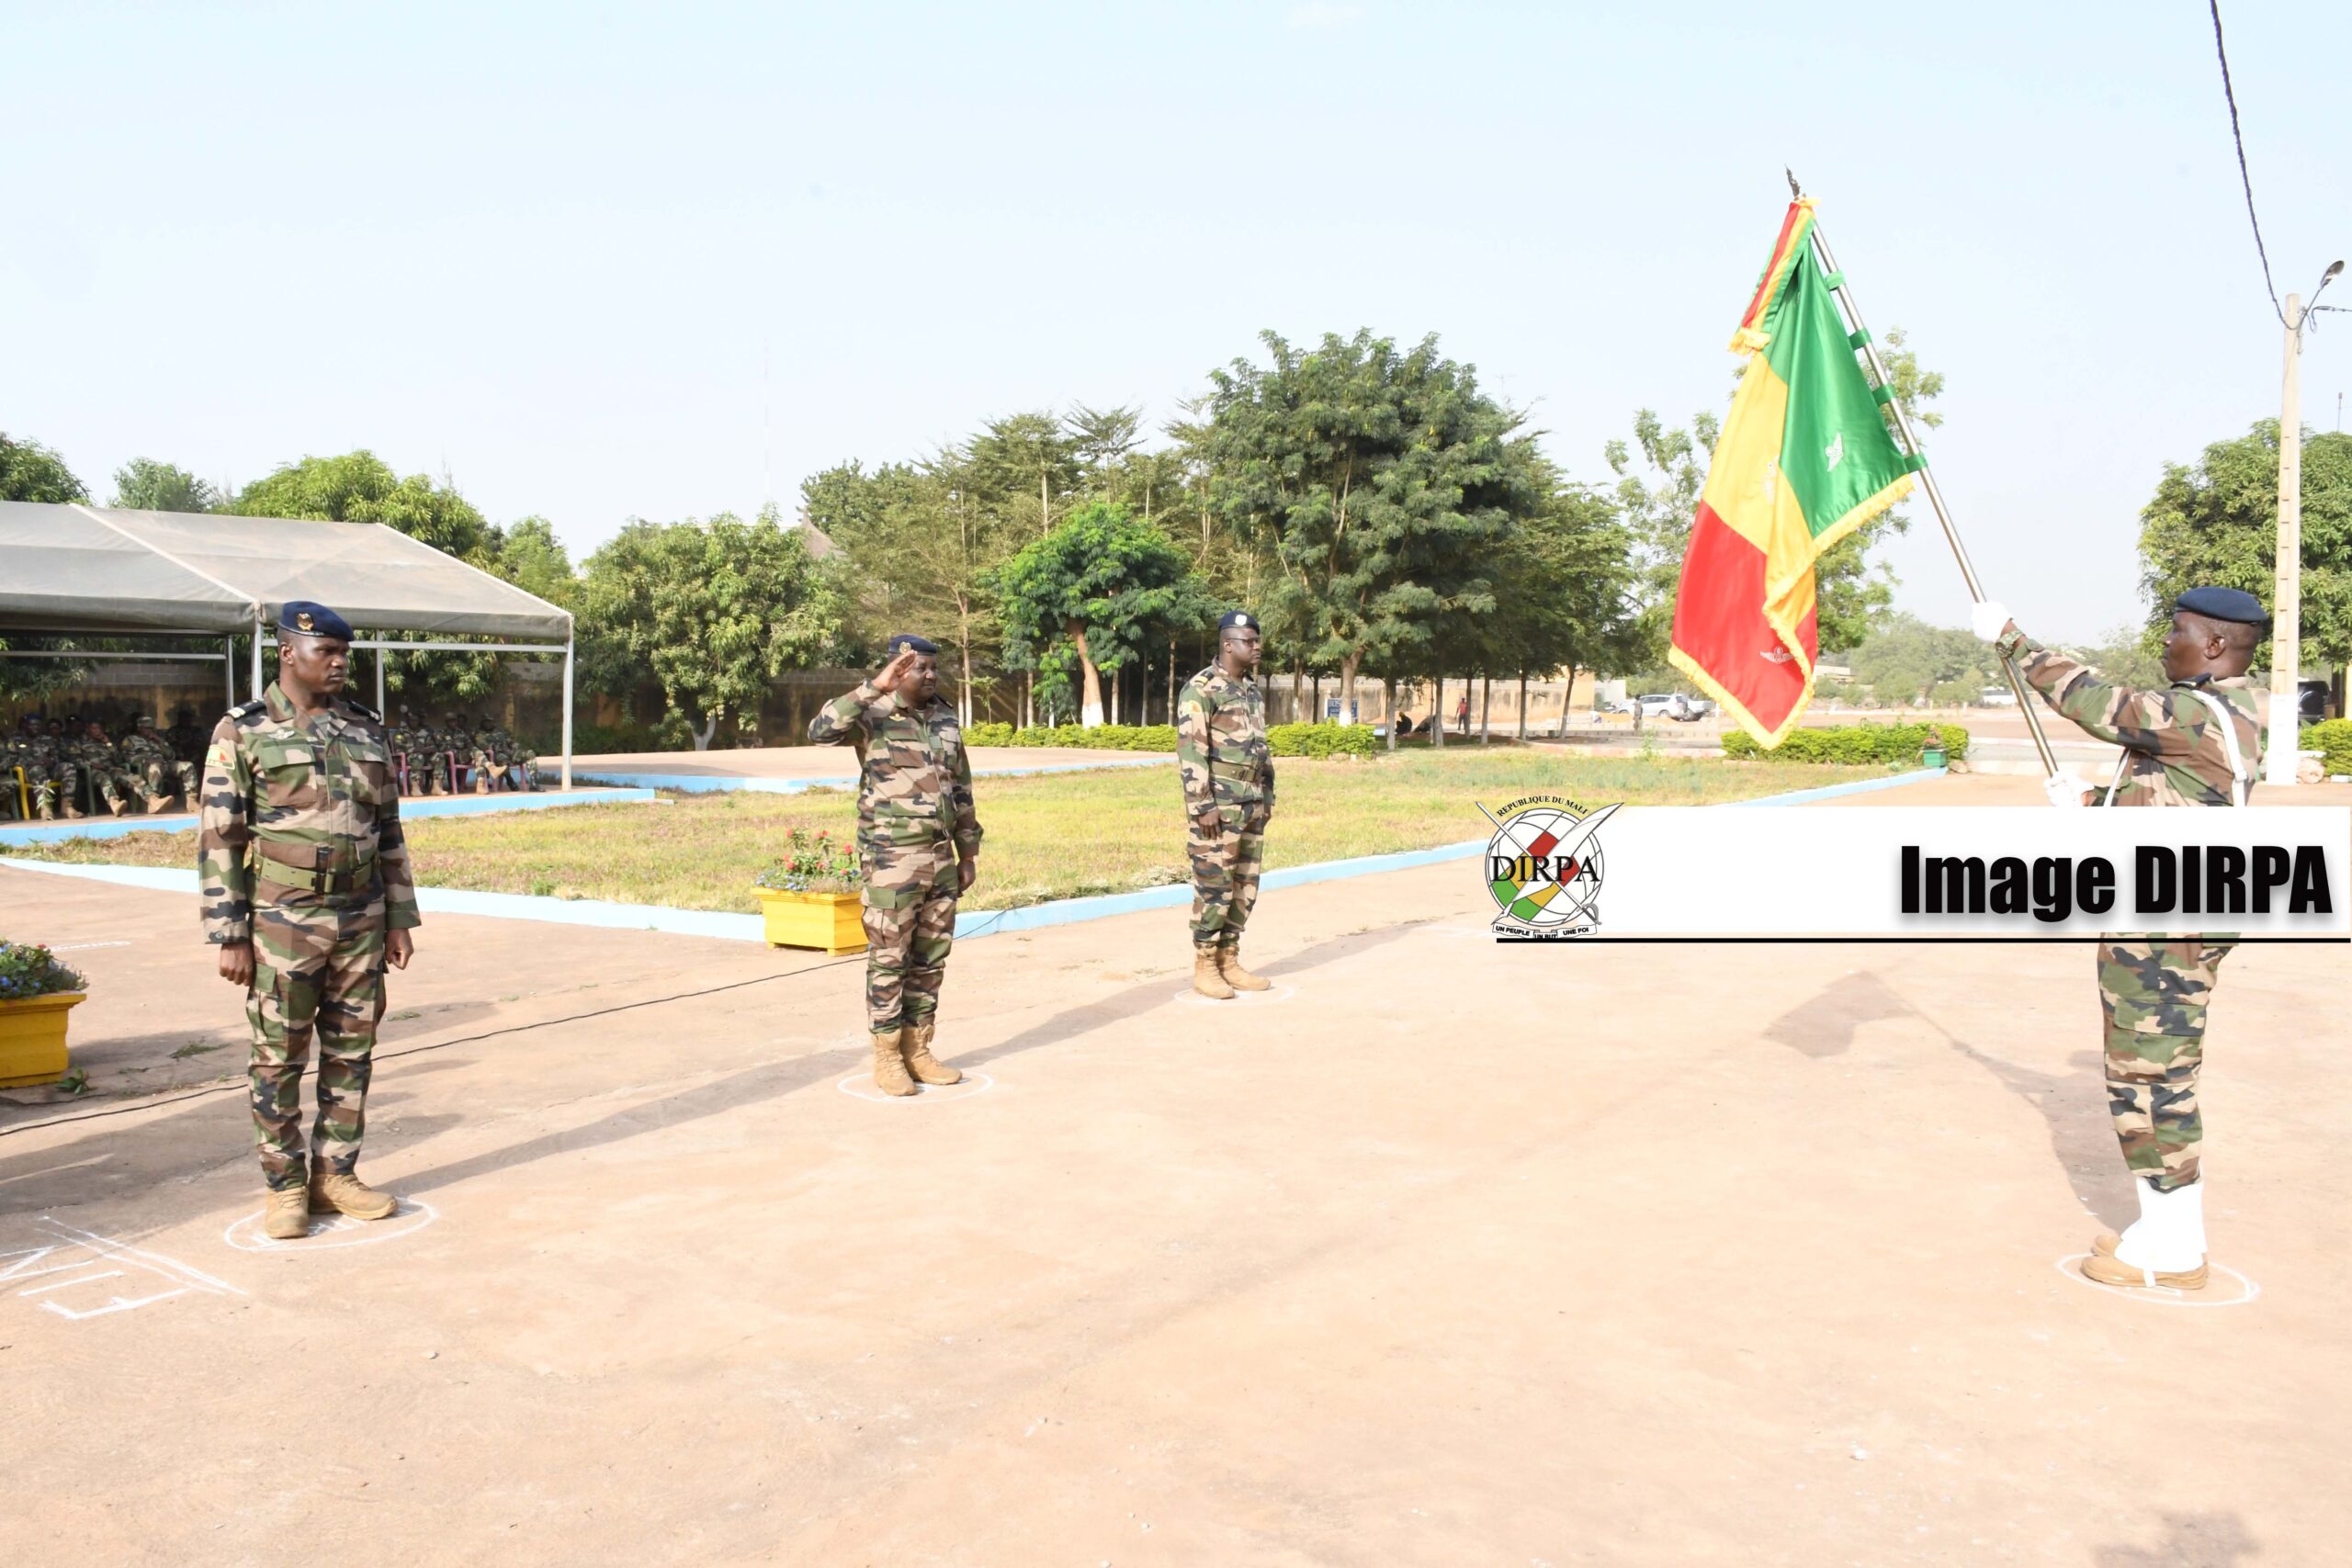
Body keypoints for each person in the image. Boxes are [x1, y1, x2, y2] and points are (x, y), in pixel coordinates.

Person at [1972, 587, 2268, 1292]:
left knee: (2151, 1081)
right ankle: (2167, 1227)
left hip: (2167, 934)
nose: (2167, 643)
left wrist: (2011, 638)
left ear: (2217, 645)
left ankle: (2172, 1245)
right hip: (2170, 921)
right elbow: (2173, 803)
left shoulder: (2196, 712)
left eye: (2179, 631)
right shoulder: (2222, 712)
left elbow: (2097, 702)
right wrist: (2089, 803)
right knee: (2154, 1076)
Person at [199, 601, 420, 1241]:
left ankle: (336, 1173)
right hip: (282, 918)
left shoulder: (364, 727)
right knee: (278, 1056)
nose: (339, 662)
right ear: (287, 653)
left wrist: (399, 916)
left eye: (343, 653)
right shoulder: (242, 730)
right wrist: (230, 931)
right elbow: (219, 836)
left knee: (352, 1052)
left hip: (361, 917)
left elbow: (388, 828)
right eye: (326, 651)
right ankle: (285, 1186)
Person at [808, 634, 982, 1096]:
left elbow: (960, 786)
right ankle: (886, 1056)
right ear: (898, 670)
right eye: (919, 668)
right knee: (890, 957)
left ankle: (918, 1048)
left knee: (930, 960)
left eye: (932, 668)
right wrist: (873, 687)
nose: (929, 675)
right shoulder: (871, 714)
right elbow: (819, 730)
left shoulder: (944, 716)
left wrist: (969, 851)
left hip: (940, 857)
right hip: (892, 858)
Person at [1177, 611, 1276, 999]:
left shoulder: (1250, 689)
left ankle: (1229, 959)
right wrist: (1203, 806)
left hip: (1250, 806)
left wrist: (1267, 796)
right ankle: (1205, 964)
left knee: (1244, 886)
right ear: (1227, 644)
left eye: (1257, 640)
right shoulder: (1201, 689)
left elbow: (1260, 746)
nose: (1257, 647)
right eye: (1249, 641)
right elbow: (1191, 752)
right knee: (1214, 886)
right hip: (1218, 810)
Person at [121, 714, 198, 812]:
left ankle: (191, 800)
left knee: (188, 766)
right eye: (147, 728)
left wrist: (160, 741)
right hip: (145, 767)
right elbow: (126, 758)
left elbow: (171, 755)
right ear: (139, 728)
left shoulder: (157, 739)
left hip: (164, 764)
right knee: (155, 766)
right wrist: (145, 759)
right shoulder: (130, 740)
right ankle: (154, 801)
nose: (150, 731)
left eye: (152, 728)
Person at [70, 718, 134, 817]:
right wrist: (92, 765)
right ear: (87, 729)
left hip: (110, 769)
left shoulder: (105, 741)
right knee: (104, 778)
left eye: (99, 728)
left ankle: (152, 799)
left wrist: (108, 743)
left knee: (129, 776)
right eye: (94, 728)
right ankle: (114, 803)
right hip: (91, 772)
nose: (97, 731)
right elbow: (75, 760)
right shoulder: (78, 742)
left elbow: (118, 760)